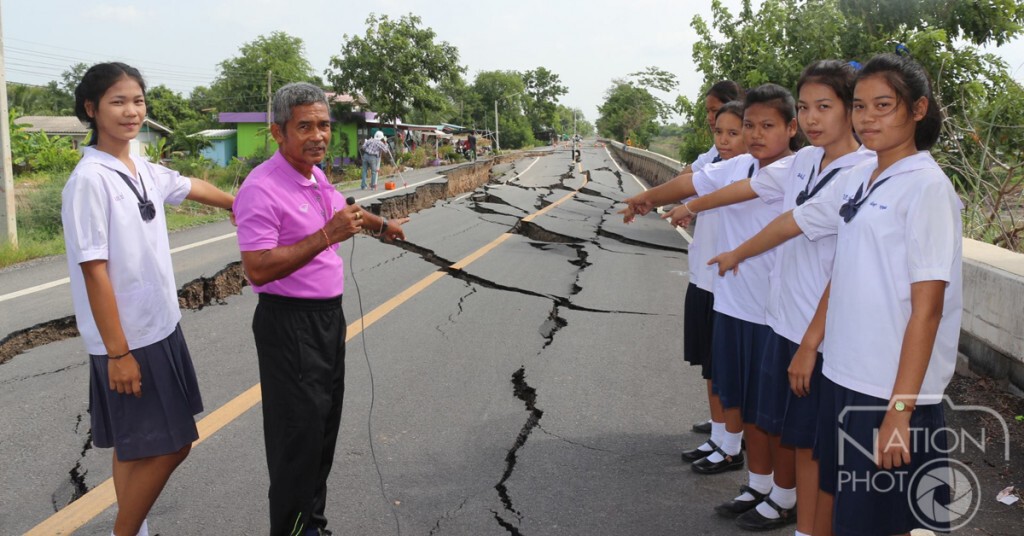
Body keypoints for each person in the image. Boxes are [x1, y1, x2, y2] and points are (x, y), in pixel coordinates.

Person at [710, 53, 961, 536]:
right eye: (861, 106)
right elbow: (843, 272)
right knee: (847, 508)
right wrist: (810, 344)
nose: (868, 118)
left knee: (891, 521)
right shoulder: (865, 178)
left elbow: (927, 311)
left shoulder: (927, 188)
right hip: (845, 374)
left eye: (883, 105)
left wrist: (900, 412)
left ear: (918, 109)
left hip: (888, 389)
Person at [666, 61, 873, 533]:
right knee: (774, 419)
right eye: (806, 107)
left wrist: (737, 252)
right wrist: (692, 206)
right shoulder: (804, 161)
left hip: (820, 330)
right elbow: (748, 188)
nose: (813, 117)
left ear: (850, 109)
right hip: (781, 317)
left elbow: (793, 223)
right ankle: (770, 491)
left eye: (825, 106)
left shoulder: (861, 171)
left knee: (808, 436)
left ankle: (789, 504)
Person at [61, 62, 235, 536]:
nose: (132, 111)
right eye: (118, 101)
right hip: (128, 339)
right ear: (91, 108)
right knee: (173, 445)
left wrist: (238, 204)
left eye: (137, 101)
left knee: (134, 446)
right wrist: (119, 354)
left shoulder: (139, 167)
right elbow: (94, 272)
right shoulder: (89, 180)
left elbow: (189, 186)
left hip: (160, 326)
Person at [233, 82, 407, 536]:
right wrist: (327, 235)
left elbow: (345, 213)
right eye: (305, 126)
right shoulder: (262, 188)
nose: (318, 136)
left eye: (324, 125)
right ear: (278, 132)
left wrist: (382, 226)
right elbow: (257, 268)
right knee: (298, 441)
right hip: (290, 324)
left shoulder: (314, 176)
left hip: (327, 321)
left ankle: (312, 526)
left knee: (321, 434)